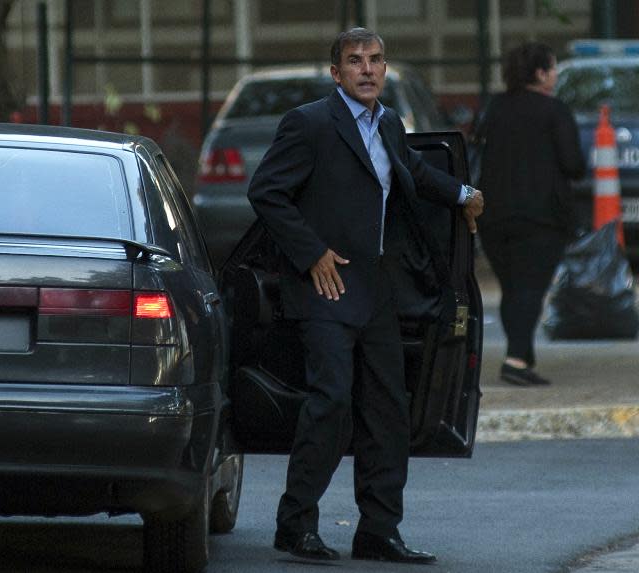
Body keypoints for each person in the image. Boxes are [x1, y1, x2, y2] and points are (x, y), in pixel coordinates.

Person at [247, 27, 484, 563]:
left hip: (377, 290)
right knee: (330, 402)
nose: (368, 70)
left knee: (388, 411)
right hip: (324, 288)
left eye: (376, 60)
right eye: (355, 61)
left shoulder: (390, 123)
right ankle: (295, 523)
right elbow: (266, 191)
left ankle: (378, 529)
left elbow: (415, 173)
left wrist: (464, 193)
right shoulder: (309, 124)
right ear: (336, 73)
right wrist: (312, 253)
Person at [476, 42, 586, 386]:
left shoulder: (494, 108)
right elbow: (573, 165)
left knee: (512, 288)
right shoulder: (554, 112)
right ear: (539, 73)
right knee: (530, 289)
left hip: (493, 215)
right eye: (552, 69)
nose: (554, 75)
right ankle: (516, 360)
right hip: (541, 216)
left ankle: (521, 356)